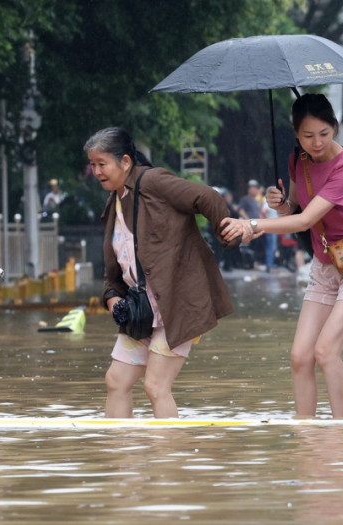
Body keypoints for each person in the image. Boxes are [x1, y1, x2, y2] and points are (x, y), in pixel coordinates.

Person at [221, 93, 343, 418]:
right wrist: (278, 201)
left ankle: (342, 433)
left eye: (324, 134)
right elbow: (295, 208)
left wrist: (252, 224)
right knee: (300, 356)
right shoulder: (299, 160)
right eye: (308, 135)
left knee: (326, 352)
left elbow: (307, 220)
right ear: (296, 134)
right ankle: (306, 434)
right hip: (325, 266)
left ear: (335, 129)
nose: (317, 143)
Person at [87, 127, 236, 418]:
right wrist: (111, 299)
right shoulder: (115, 201)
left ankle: (167, 462)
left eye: (102, 164)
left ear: (126, 162)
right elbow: (115, 267)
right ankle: (123, 460)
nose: (96, 171)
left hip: (176, 303)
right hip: (141, 308)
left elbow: (207, 197)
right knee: (116, 382)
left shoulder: (152, 181)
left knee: (156, 386)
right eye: (92, 165)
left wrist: (229, 234)